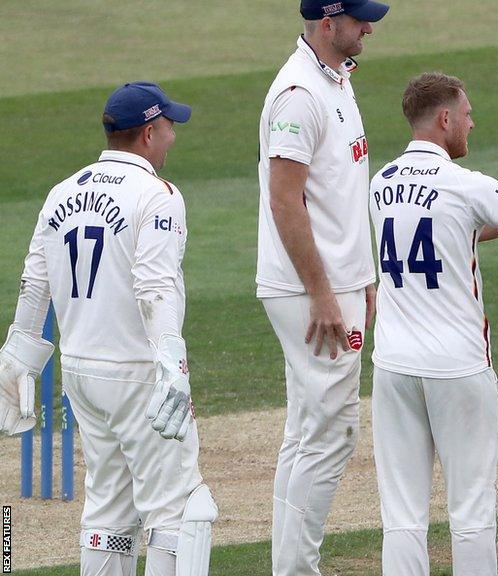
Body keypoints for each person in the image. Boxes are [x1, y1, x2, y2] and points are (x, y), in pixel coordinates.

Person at [369, 72, 498, 576]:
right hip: (458, 368)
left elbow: (450, 234)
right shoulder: (468, 184)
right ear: (445, 119)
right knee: (470, 511)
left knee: (401, 515)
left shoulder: (381, 183)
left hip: (393, 367)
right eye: (466, 115)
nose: (472, 123)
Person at [0, 82, 216, 576]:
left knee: (108, 512)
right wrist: (174, 368)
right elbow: (155, 288)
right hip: (139, 373)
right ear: (146, 134)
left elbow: (35, 285)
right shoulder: (157, 195)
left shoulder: (61, 192)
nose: (173, 139)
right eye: (168, 128)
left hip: (81, 374)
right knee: (180, 513)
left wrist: (15, 366)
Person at [255, 0, 388, 573]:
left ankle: (290, 565)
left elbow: (339, 193)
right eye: (360, 18)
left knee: (308, 431)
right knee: (332, 433)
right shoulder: (299, 95)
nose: (370, 26)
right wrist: (325, 292)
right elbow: (285, 199)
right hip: (310, 291)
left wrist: (365, 277)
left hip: (336, 283)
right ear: (327, 24)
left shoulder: (336, 79)